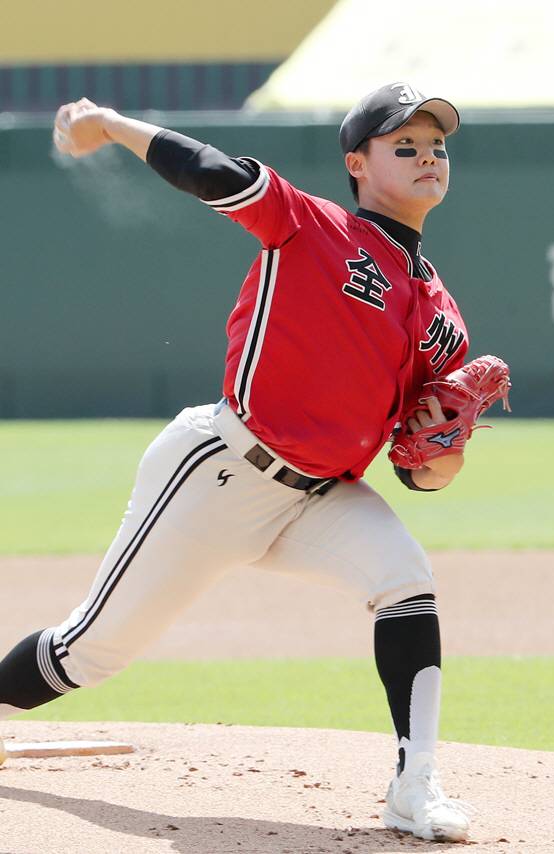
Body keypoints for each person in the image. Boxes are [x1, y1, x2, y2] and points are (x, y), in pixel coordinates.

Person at [1, 82, 475, 842]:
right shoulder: (313, 226)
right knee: (87, 653)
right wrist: (107, 124)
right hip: (220, 472)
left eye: (438, 147)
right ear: (357, 163)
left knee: (406, 580)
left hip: (323, 494)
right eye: (405, 145)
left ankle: (414, 787)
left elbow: (418, 471)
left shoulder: (442, 312)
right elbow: (214, 171)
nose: (428, 158)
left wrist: (441, 457)